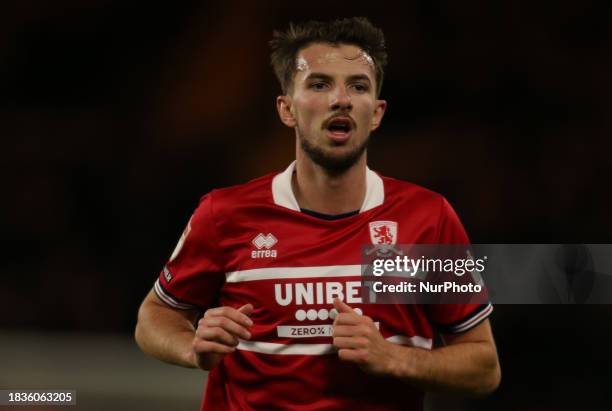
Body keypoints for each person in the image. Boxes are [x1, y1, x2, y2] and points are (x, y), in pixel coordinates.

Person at [135, 17, 501, 411]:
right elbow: (153, 317)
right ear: (286, 109)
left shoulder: (427, 220)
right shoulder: (224, 214)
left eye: (358, 86)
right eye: (319, 83)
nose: (340, 98)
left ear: (376, 113)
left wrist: (395, 357)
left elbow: (483, 369)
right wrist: (193, 348)